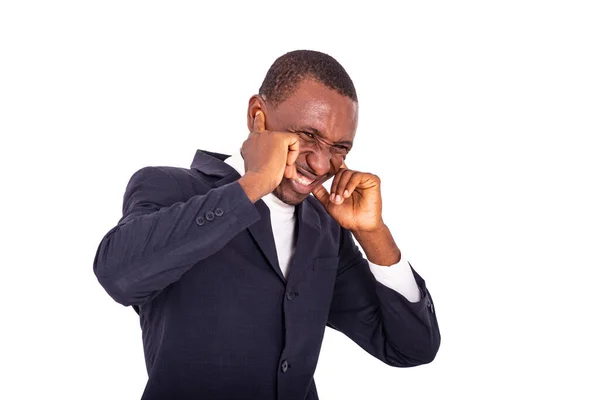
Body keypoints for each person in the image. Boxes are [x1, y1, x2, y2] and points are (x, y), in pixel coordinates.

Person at [93, 50, 440, 400]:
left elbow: (410, 348)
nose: (321, 164)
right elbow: (118, 277)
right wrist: (255, 181)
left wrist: (372, 233)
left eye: (339, 148)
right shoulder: (170, 188)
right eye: (308, 135)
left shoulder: (325, 229)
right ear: (258, 117)